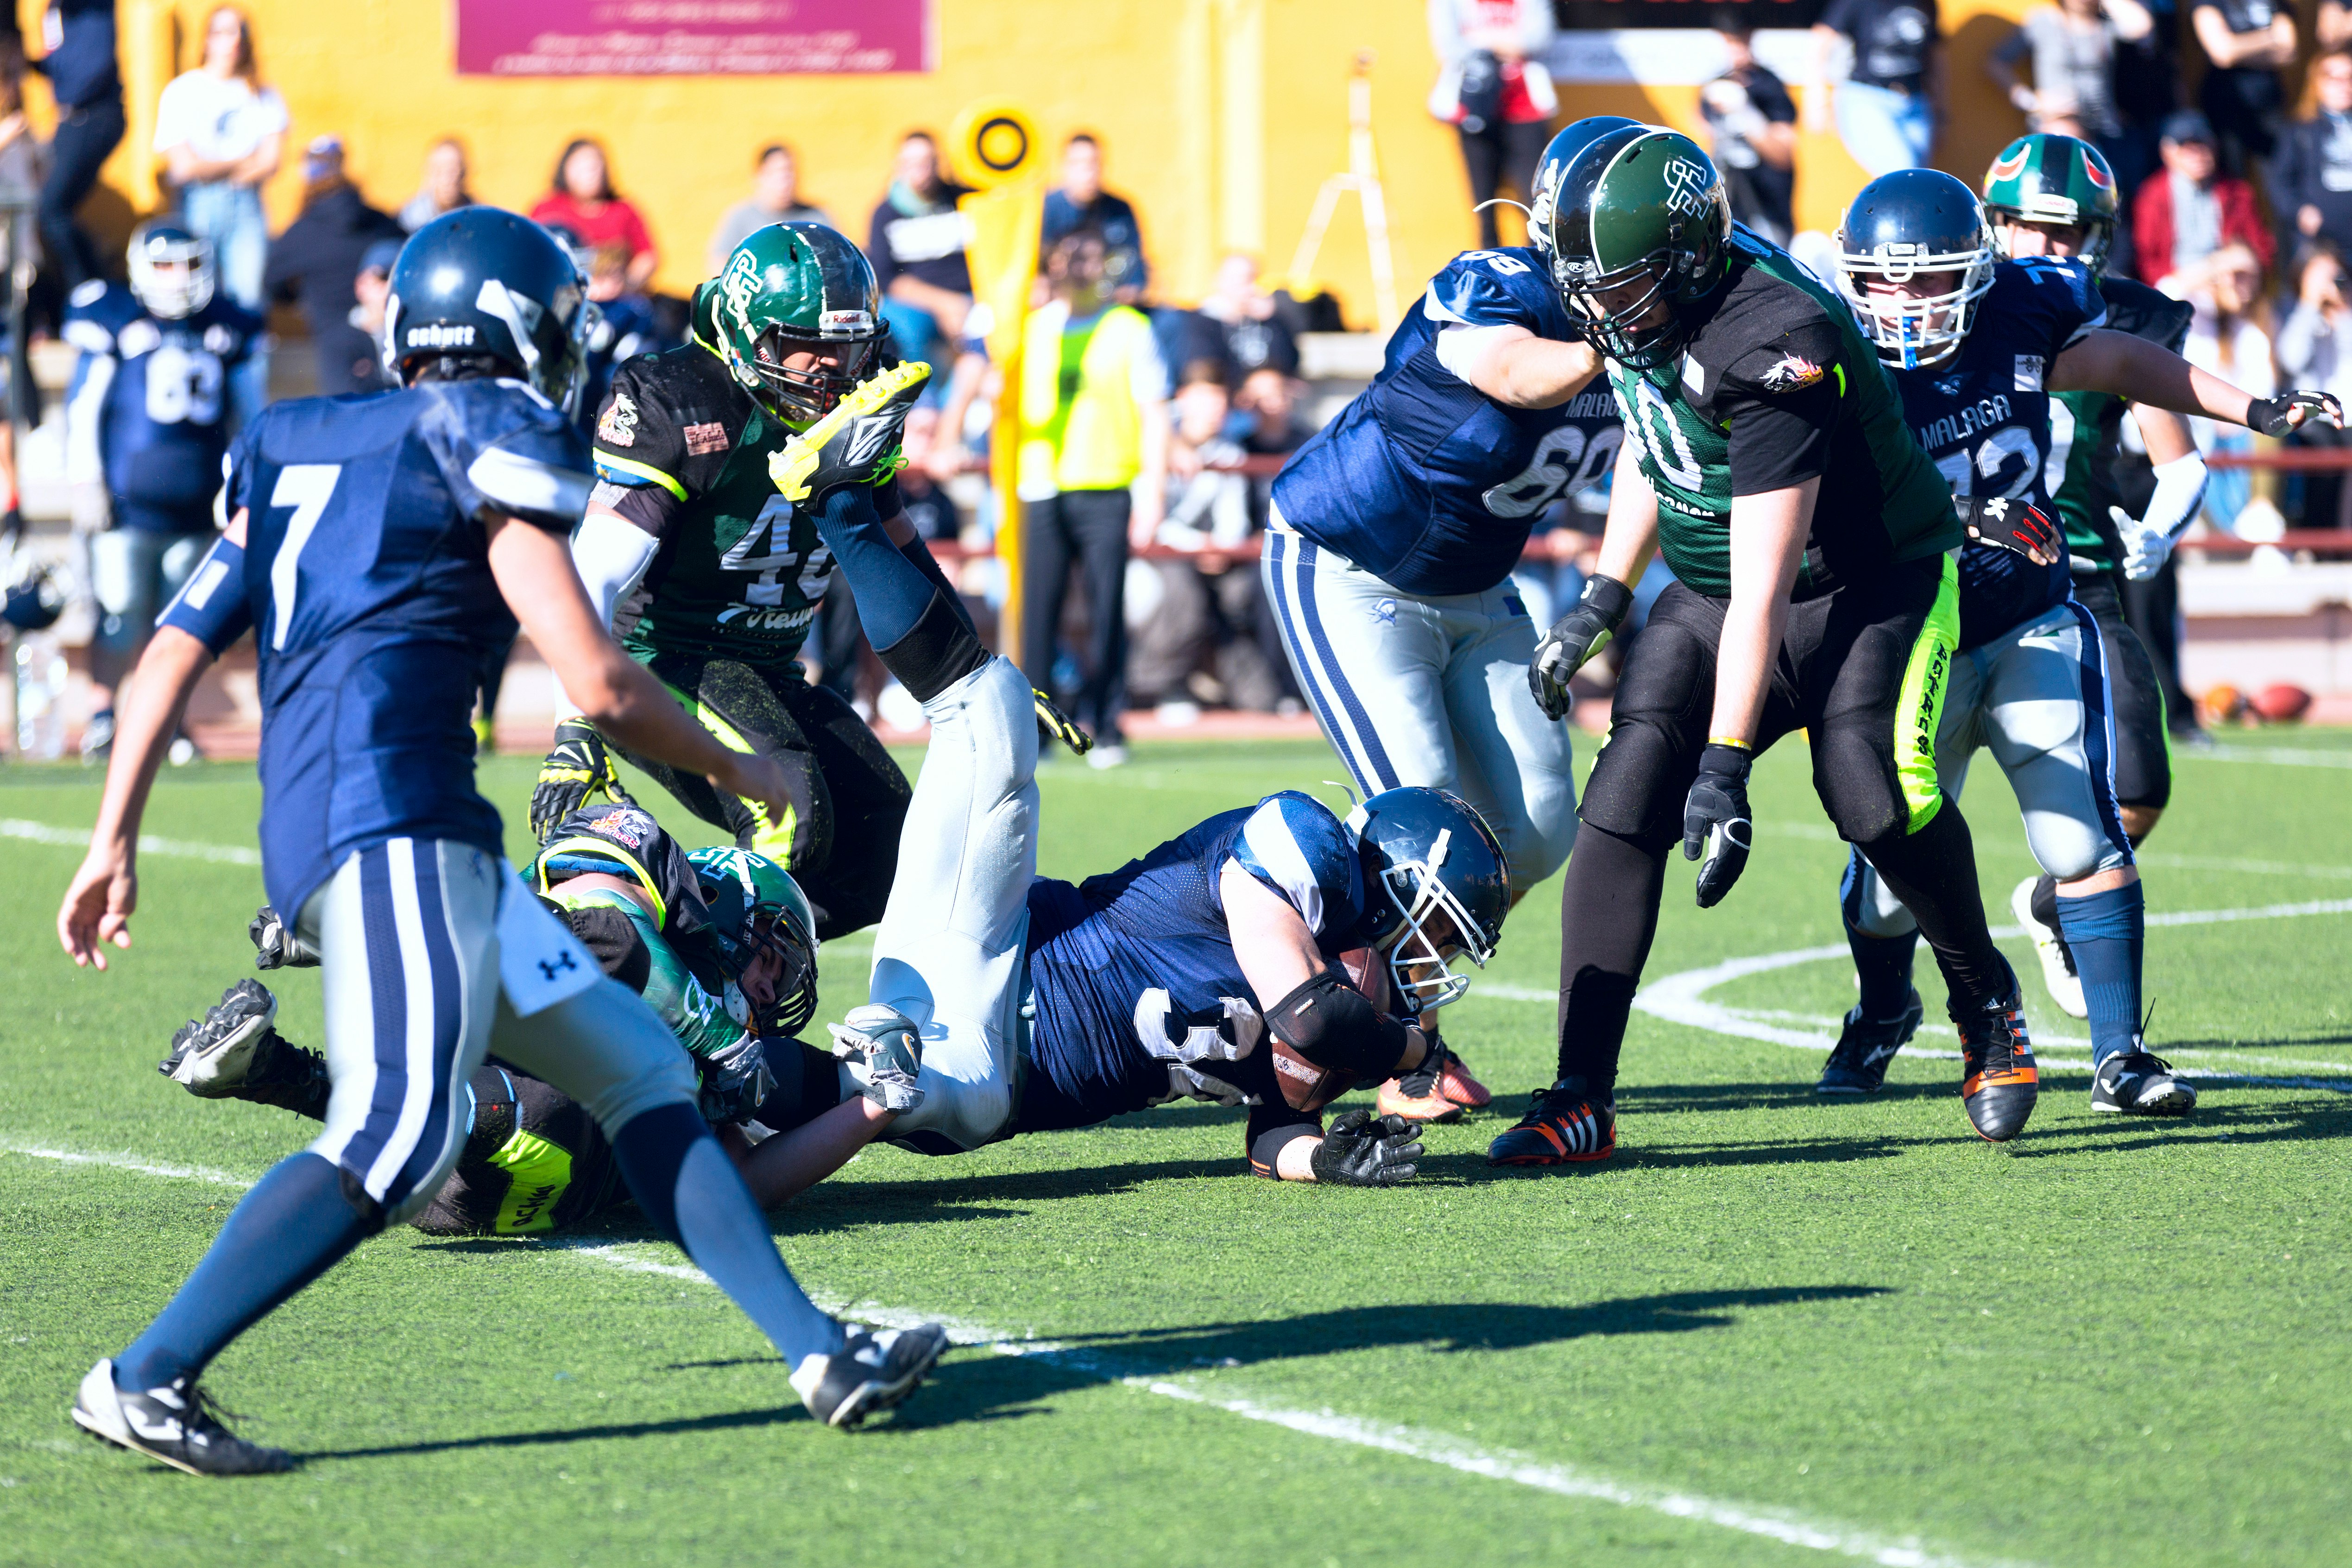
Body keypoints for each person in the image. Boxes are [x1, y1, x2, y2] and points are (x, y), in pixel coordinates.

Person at [55, 209, 947, 1474]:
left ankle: (817, 1354)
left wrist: (113, 837)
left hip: (385, 827)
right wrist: (739, 766)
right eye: (565, 320)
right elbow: (590, 670)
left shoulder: (293, 438)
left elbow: (169, 653)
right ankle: (141, 1376)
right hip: (394, 822)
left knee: (638, 1063)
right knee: (399, 1130)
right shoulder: (491, 431)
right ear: (524, 328)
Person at [718, 393, 1488, 1195]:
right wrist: (1415, 1051)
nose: (1434, 959)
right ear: (1396, 877)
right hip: (991, 955)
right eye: (1437, 926)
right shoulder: (1306, 846)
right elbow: (1312, 1018)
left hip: (984, 1072)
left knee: (912, 1094)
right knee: (989, 712)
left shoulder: (1343, 982)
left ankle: (680, 1091)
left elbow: (1274, 1131)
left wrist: (1324, 1157)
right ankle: (844, 502)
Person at [1499, 127, 2032, 1163]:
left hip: (1870, 584)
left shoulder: (1776, 341)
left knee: (1869, 785)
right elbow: (1657, 446)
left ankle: (1986, 1004)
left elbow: (1768, 586)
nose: (1598, 309)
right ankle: (1581, 1095)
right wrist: (1603, 597)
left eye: (1623, 286)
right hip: (1718, 585)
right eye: (1589, 286)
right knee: (1622, 795)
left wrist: (1729, 769)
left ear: (1692, 259)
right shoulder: (1653, 308)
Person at [1821, 166, 2333, 1115]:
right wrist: (1964, 514)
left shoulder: (2025, 302)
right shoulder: (1825, 349)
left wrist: (2255, 409)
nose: (1903, 301)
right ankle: (1884, 1007)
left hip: (2026, 616)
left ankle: (2120, 1053)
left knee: (2080, 836)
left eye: (1929, 277)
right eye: (1883, 279)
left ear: (1977, 269)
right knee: (1889, 880)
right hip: (1904, 637)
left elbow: (2123, 359)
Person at [1265, 118, 1633, 1123]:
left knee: (1538, 828)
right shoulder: (1498, 284)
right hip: (1350, 567)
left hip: (1479, 590)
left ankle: (1371, 993)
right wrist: (1612, 338)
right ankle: (1354, 1034)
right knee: (1416, 818)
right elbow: (1516, 372)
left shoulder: (1658, 325)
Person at [157, 810, 829, 1238]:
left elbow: (749, 1180)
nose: (772, 989)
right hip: (458, 1169)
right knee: (594, 958)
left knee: (546, 1085)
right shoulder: (662, 919)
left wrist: (880, 1107)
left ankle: (365, 931)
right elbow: (611, 927)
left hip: (543, 1158)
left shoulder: (751, 1062)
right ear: (721, 910)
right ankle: (275, 1062)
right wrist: (718, 1041)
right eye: (771, 958)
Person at [528, 223, 922, 942]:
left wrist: (974, 675)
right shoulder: (680, 398)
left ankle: (642, 934)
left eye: (848, 346)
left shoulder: (865, 398)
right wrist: (576, 725)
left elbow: (898, 547)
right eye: (807, 344)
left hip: (765, 666)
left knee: (888, 843)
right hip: (659, 655)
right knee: (788, 806)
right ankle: (725, 1031)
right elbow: (590, 575)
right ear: (747, 336)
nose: (831, 369)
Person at [1974, 134, 2208, 1019]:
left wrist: (2160, 526)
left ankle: (2048, 900)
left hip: (2078, 576)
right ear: (1996, 228)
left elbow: (2178, 458)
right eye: (2032, 230)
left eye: (2070, 235)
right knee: (1897, 803)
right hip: (1957, 577)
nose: (2051, 249)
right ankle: (1884, 997)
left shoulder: (2124, 316)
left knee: (2140, 785)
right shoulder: (1949, 309)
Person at [63, 224, 262, 759]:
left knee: (181, 623)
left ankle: (168, 721)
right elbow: (84, 409)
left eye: (188, 265)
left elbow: (251, 416)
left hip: (198, 502)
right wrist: (85, 478)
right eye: (167, 265)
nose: (179, 279)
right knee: (119, 611)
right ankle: (104, 716)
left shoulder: (226, 326)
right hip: (127, 502)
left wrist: (247, 486)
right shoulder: (116, 319)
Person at [1016, 227, 1170, 768]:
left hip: (1106, 483)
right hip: (1040, 484)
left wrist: (1153, 489)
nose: (1077, 264)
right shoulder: (1029, 327)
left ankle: (1107, 723)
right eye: (1067, 253)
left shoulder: (1130, 327)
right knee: (1036, 614)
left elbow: (1154, 411)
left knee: (1107, 609)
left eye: (1088, 255)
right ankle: (1035, 730)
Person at [152, 6, 284, 424]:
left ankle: (250, 421)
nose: (233, 41)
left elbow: (272, 160)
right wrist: (239, 163)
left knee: (247, 311)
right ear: (207, 38)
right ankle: (201, 415)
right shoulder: (184, 91)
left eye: (239, 32)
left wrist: (219, 163)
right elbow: (184, 167)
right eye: (224, 32)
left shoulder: (262, 93)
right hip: (198, 206)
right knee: (192, 301)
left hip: (246, 211)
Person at [261, 136, 407, 397]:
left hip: (331, 344)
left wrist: (305, 297)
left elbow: (272, 285)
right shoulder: (383, 223)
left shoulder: (301, 234)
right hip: (390, 339)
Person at [1426, 0, 1557, 251]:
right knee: (1483, 204)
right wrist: (1506, 44)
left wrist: (1480, 42)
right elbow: (1450, 46)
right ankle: (1489, 271)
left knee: (1538, 200)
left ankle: (1536, 267)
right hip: (1473, 105)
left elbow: (1540, 37)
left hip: (1525, 107)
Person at [1986, 0, 2153, 194]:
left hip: (2104, 131)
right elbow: (1995, 62)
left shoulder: (2105, 25)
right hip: (2058, 130)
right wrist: (2031, 101)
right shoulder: (2044, 22)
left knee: (2116, 191)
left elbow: (2142, 27)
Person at [28, 0, 121, 291]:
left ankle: (88, 290)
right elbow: (63, 61)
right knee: (54, 211)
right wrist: (30, 64)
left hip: (92, 115)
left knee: (51, 209)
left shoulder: (92, 7)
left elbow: (91, 70)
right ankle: (100, 272)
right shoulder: (54, 10)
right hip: (72, 119)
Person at [865, 131, 973, 378]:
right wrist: (945, 305)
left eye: (927, 162)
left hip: (971, 297)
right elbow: (887, 279)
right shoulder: (885, 214)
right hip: (917, 303)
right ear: (899, 167)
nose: (920, 171)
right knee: (907, 331)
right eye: (912, 163)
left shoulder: (964, 200)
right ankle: (925, 402)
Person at [2132, 110, 2272, 293]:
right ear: (2167, 152)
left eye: (2204, 146)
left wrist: (2242, 264)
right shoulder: (2151, 196)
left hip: (2228, 283)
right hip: (2178, 284)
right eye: (2188, 149)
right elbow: (2147, 258)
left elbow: (2260, 246)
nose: (2199, 155)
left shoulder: (2237, 192)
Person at [1810, 0, 1941, 176]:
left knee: (1918, 176)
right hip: (1868, 98)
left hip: (1915, 102)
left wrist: (1940, 109)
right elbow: (1821, 40)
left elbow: (1937, 55)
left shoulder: (1926, 4)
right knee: (1903, 173)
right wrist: (1817, 100)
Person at [1701, 14, 1800, 246]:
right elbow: (1708, 142)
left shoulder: (1770, 86)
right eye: (1731, 42)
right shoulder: (1714, 86)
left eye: (1742, 41)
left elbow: (1784, 155)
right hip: (1730, 204)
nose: (1738, 50)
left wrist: (1745, 112)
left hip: (1769, 203)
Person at [2276, 245, 2352, 527]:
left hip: (2348, 417)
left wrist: (2343, 313)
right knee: (2324, 458)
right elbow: (2291, 359)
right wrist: (2310, 306)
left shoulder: (2348, 315)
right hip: (2312, 419)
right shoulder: (2292, 311)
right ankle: (2318, 541)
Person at [530, 138, 657, 292]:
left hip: (613, 304)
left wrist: (625, 286)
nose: (591, 172)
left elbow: (647, 257)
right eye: (582, 166)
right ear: (565, 170)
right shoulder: (548, 209)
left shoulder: (623, 210)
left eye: (596, 166)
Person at [2188, 0, 2294, 176]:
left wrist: (2238, 47)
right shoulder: (2209, 3)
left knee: (2281, 173)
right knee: (2233, 178)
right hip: (2226, 104)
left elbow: (2289, 49)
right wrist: (2271, 37)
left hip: (2269, 103)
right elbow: (2223, 53)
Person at [1042, 133, 1148, 300]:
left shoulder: (1119, 211)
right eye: (1079, 164)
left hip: (1108, 305)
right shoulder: (1045, 210)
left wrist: (1128, 292)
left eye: (1094, 164)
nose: (1089, 173)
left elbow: (1135, 266)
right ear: (1065, 167)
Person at [2272, 49, 2352, 261]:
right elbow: (2280, 182)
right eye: (2336, 78)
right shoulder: (2300, 130)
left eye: (2350, 78)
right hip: (2321, 243)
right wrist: (2299, 211)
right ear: (2317, 83)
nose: (2346, 86)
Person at [707, 144, 830, 271]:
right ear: (760, 176)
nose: (785, 180)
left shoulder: (817, 218)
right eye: (776, 172)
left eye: (789, 171)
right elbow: (719, 263)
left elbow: (840, 258)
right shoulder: (741, 217)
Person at [396, 136, 473, 233]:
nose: (447, 179)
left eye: (453, 171)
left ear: (464, 172)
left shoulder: (477, 214)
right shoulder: (409, 221)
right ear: (428, 174)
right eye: (439, 171)